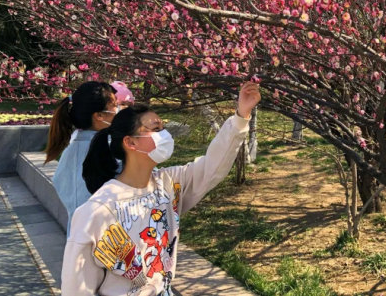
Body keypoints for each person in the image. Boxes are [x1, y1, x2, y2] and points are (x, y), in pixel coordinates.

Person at [61, 81, 261, 296]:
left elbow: (213, 166)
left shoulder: (168, 184)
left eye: (163, 128)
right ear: (131, 143)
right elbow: (77, 289)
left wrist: (241, 116)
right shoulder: (98, 211)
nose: (164, 135)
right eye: (155, 129)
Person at [46, 81, 119, 235]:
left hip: (77, 237)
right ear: (99, 115)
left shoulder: (72, 145)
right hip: (105, 239)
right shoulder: (109, 149)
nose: (118, 110)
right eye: (115, 105)